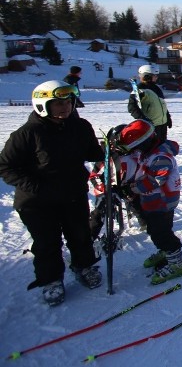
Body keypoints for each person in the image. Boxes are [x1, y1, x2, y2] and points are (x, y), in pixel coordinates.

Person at [0, 80, 104, 306]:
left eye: (68, 102)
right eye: (57, 103)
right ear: (42, 105)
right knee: (47, 243)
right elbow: (6, 167)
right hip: (37, 202)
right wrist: (39, 187)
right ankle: (51, 279)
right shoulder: (27, 133)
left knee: (80, 235)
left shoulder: (80, 126)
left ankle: (84, 266)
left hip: (73, 195)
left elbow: (92, 152)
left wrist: (109, 147)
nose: (65, 107)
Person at [111, 119, 182, 285]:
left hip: (162, 201)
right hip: (153, 200)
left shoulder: (160, 157)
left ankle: (177, 263)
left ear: (143, 143)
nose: (135, 151)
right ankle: (164, 251)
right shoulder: (149, 152)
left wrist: (131, 189)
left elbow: (154, 181)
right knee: (156, 229)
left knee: (161, 232)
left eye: (136, 148)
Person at [129, 64, 172, 141]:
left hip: (162, 124)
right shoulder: (140, 89)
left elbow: (161, 104)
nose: (156, 78)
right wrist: (143, 119)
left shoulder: (156, 88)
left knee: (161, 147)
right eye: (155, 76)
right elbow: (132, 107)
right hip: (151, 125)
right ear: (147, 76)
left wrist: (167, 117)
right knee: (152, 148)